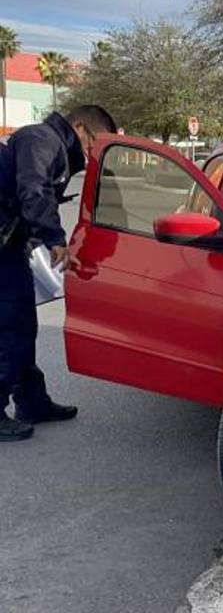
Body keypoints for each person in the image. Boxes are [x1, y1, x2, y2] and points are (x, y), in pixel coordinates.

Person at [0, 105, 117, 441]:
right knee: (11, 328)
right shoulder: (42, 140)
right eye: (92, 143)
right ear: (78, 126)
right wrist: (55, 239)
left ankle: (32, 401)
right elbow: (33, 191)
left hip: (9, 246)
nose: (91, 153)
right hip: (4, 249)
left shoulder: (51, 146)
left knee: (21, 323)